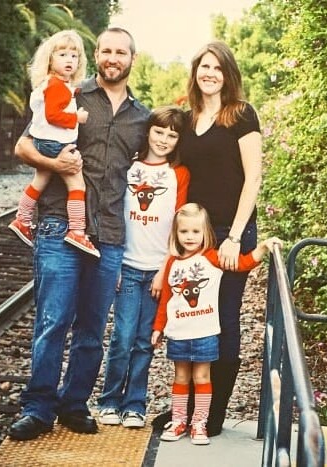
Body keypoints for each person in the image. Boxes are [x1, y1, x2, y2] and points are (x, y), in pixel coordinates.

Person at [8, 27, 150, 441]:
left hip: (108, 234)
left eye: (120, 52)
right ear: (97, 55)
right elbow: (23, 147)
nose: (112, 57)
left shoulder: (142, 117)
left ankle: (74, 404)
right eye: (105, 50)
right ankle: (37, 408)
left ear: (131, 59)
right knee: (53, 322)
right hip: (58, 225)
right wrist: (58, 167)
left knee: (91, 328)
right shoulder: (69, 94)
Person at [152, 40, 264, 437]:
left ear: (228, 73)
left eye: (217, 67)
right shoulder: (188, 117)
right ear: (196, 72)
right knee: (190, 317)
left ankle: (213, 414)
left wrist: (234, 236)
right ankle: (189, 409)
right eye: (204, 66)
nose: (210, 73)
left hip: (231, 233)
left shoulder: (241, 115)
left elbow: (253, 178)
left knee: (224, 320)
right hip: (194, 234)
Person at [151, 203, 281, 445]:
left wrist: (262, 247)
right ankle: (180, 420)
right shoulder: (173, 263)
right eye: (184, 232)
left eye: (195, 232)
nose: (190, 237)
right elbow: (167, 298)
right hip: (179, 332)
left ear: (206, 233)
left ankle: (199, 423)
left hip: (205, 332)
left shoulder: (212, 257)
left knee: (202, 377)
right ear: (176, 234)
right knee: (180, 378)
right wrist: (158, 328)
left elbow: (242, 263)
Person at [96, 106, 190, 429]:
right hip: (128, 265)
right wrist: (115, 262)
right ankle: (108, 400)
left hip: (156, 271)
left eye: (172, 134)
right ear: (148, 131)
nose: (164, 139)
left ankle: (134, 404)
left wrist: (166, 270)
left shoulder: (178, 175)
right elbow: (113, 216)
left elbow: (180, 225)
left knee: (145, 340)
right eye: (159, 131)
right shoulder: (130, 168)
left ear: (178, 141)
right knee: (122, 336)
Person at [8, 30, 99, 257]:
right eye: (62, 54)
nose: (69, 60)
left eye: (74, 56)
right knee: (77, 184)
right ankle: (77, 230)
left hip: (43, 143)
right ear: (50, 58)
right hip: (57, 144)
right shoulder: (56, 86)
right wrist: (76, 118)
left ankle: (22, 219)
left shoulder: (52, 83)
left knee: (40, 179)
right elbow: (53, 116)